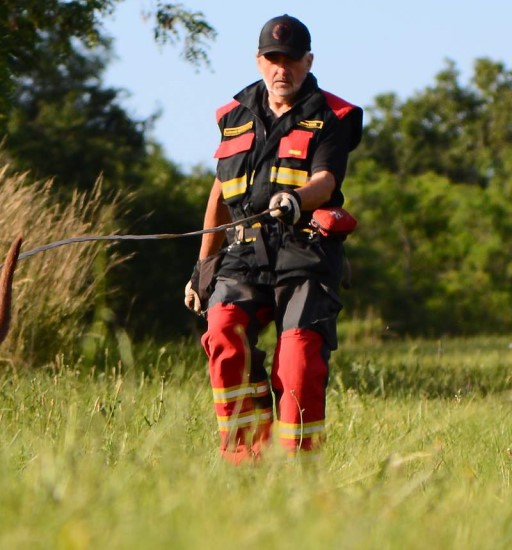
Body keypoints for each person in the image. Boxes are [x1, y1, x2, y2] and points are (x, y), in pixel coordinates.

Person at [183, 14, 363, 463]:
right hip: (242, 254)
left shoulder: (331, 116)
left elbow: (325, 179)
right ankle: (247, 461)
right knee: (222, 333)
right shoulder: (234, 116)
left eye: (292, 60)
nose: (282, 69)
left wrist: (296, 199)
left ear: (308, 61)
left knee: (298, 360)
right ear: (259, 61)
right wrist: (202, 268)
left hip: (305, 253)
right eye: (273, 59)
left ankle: (300, 471)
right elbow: (219, 195)